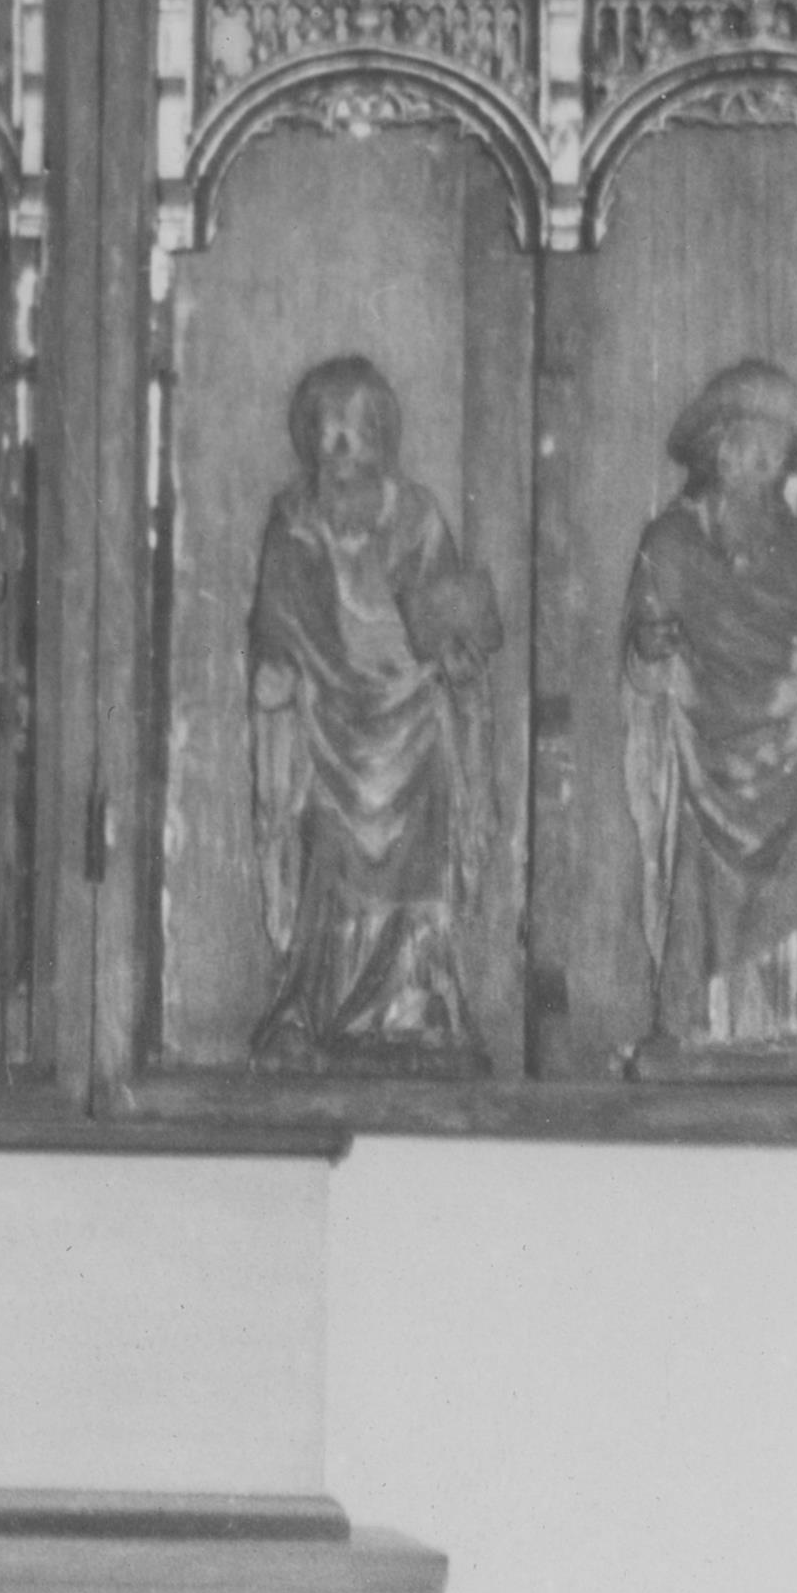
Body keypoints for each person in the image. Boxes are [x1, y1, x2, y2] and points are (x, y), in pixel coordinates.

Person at [243, 352, 501, 1066]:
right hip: (329, 727)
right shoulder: (293, 523)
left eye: (357, 430)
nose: (342, 448)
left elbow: (449, 617)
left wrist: (459, 662)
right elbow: (275, 625)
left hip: (412, 722)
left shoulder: (416, 516)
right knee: (329, 857)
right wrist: (275, 670)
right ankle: (314, 1008)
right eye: (328, 430)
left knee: (419, 869)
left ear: (383, 437)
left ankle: (419, 1010)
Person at [619, 356, 797, 1065]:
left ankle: (795, 1016)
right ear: (714, 453)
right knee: (700, 892)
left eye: (771, 457)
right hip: (706, 756)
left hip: (793, 761)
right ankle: (699, 1020)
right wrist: (649, 649)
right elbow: (643, 665)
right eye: (741, 452)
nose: (755, 471)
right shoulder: (668, 543)